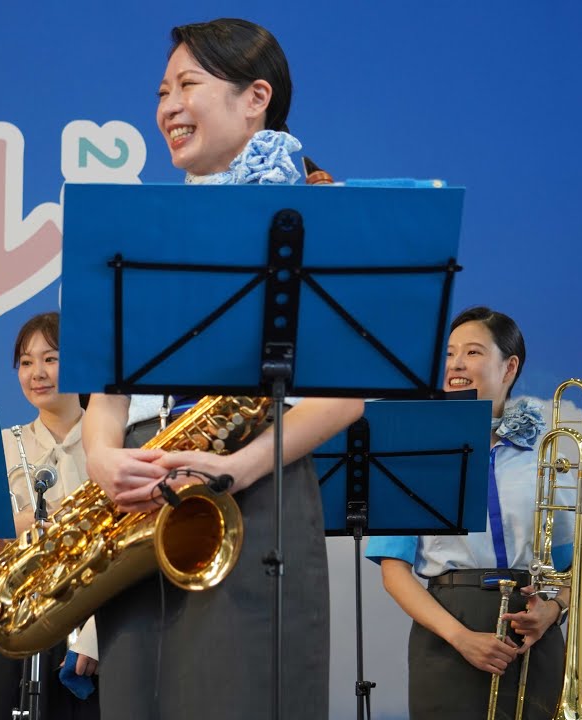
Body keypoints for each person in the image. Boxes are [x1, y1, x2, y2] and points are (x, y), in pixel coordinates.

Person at [80, 18, 365, 720]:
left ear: (255, 97)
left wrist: (235, 471)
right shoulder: (141, 226)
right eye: (161, 92)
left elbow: (345, 398)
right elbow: (106, 392)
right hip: (142, 501)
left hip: (255, 492)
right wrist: (99, 458)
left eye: (188, 85)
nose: (167, 107)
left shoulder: (319, 209)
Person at [363, 306, 582, 719]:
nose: (456, 364)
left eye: (472, 353)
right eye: (450, 354)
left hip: (533, 631)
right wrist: (461, 637)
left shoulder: (544, 453)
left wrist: (552, 611)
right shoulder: (415, 449)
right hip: (451, 628)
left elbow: (578, 568)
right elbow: (393, 572)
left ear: (509, 368)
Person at [0, 311, 101, 720]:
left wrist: (95, 636)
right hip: (11, 632)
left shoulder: (113, 445)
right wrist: (12, 528)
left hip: (94, 636)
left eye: (51, 358)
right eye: (26, 361)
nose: (37, 372)